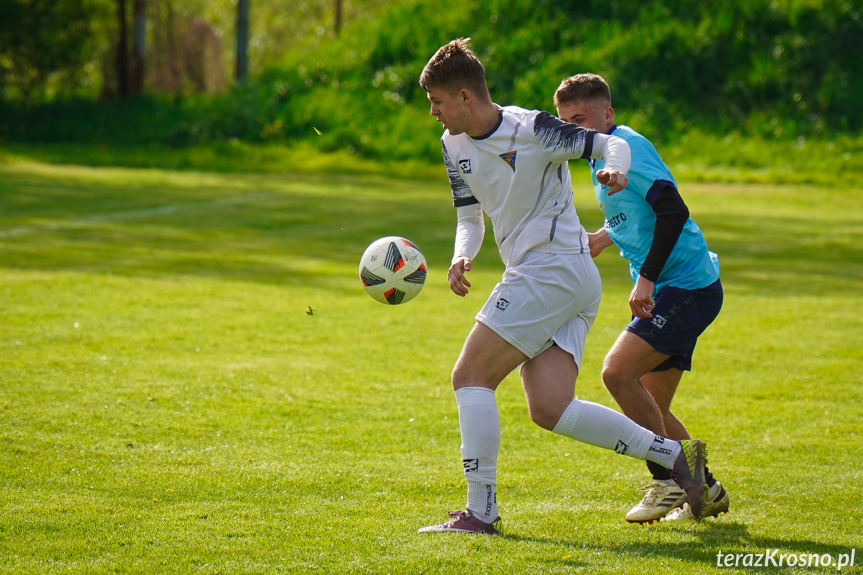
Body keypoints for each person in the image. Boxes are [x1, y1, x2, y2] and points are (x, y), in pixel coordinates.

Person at [416, 39, 709, 535]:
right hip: (565, 276)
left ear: (465, 96)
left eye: (437, 103)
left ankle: (480, 511)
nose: (434, 115)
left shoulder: (530, 128)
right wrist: (461, 254)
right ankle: (672, 455)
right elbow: (470, 216)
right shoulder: (453, 146)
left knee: (470, 377)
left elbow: (608, 143)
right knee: (550, 407)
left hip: (548, 271)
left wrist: (617, 168)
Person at [553, 73, 729, 523]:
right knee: (654, 407)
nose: (578, 131)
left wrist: (646, 279)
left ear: (607, 114)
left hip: (684, 287)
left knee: (616, 373)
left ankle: (666, 481)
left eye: (583, 119)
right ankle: (706, 490)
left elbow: (673, 211)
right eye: (567, 123)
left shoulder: (628, 146)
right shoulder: (598, 156)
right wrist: (603, 237)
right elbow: (635, 211)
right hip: (686, 287)